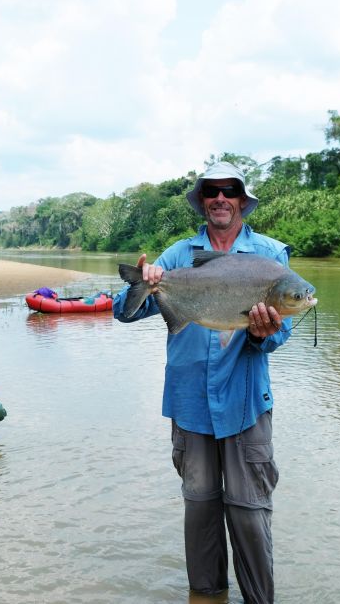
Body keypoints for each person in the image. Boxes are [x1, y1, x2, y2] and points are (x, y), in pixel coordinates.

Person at [113, 161, 291, 603]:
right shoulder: (177, 255)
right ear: (203, 200)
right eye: (212, 190)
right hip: (190, 406)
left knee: (250, 514)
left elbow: (280, 334)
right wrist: (146, 281)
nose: (220, 198)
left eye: (229, 190)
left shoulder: (270, 256)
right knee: (200, 513)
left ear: (242, 199)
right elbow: (123, 310)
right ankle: (206, 596)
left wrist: (261, 332)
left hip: (245, 406)